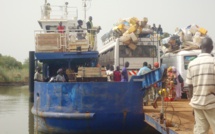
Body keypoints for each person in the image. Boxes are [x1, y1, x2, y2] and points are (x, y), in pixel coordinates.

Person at [186, 37, 215, 134]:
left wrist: (192, 101)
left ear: (200, 47)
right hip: (212, 103)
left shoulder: (192, 63)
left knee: (200, 131)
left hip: (197, 104)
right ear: (212, 47)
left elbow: (190, 86)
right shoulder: (213, 62)